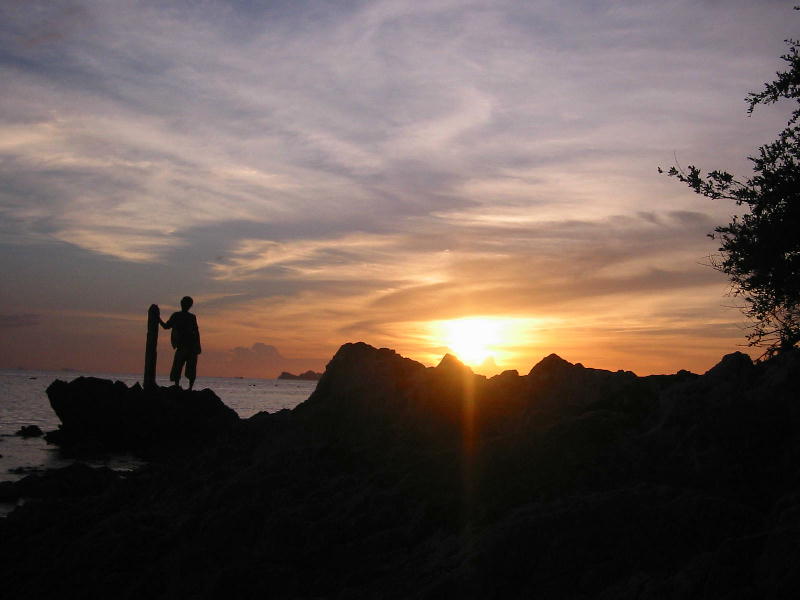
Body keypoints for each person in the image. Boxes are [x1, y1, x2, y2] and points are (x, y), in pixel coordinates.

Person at [160, 296, 201, 390]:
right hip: (184, 346)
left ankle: (187, 387)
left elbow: (196, 331)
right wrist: (158, 319)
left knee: (187, 367)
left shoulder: (189, 317)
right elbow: (166, 326)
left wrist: (198, 345)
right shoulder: (177, 315)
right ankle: (179, 385)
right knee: (178, 366)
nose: (184, 305)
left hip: (190, 346)